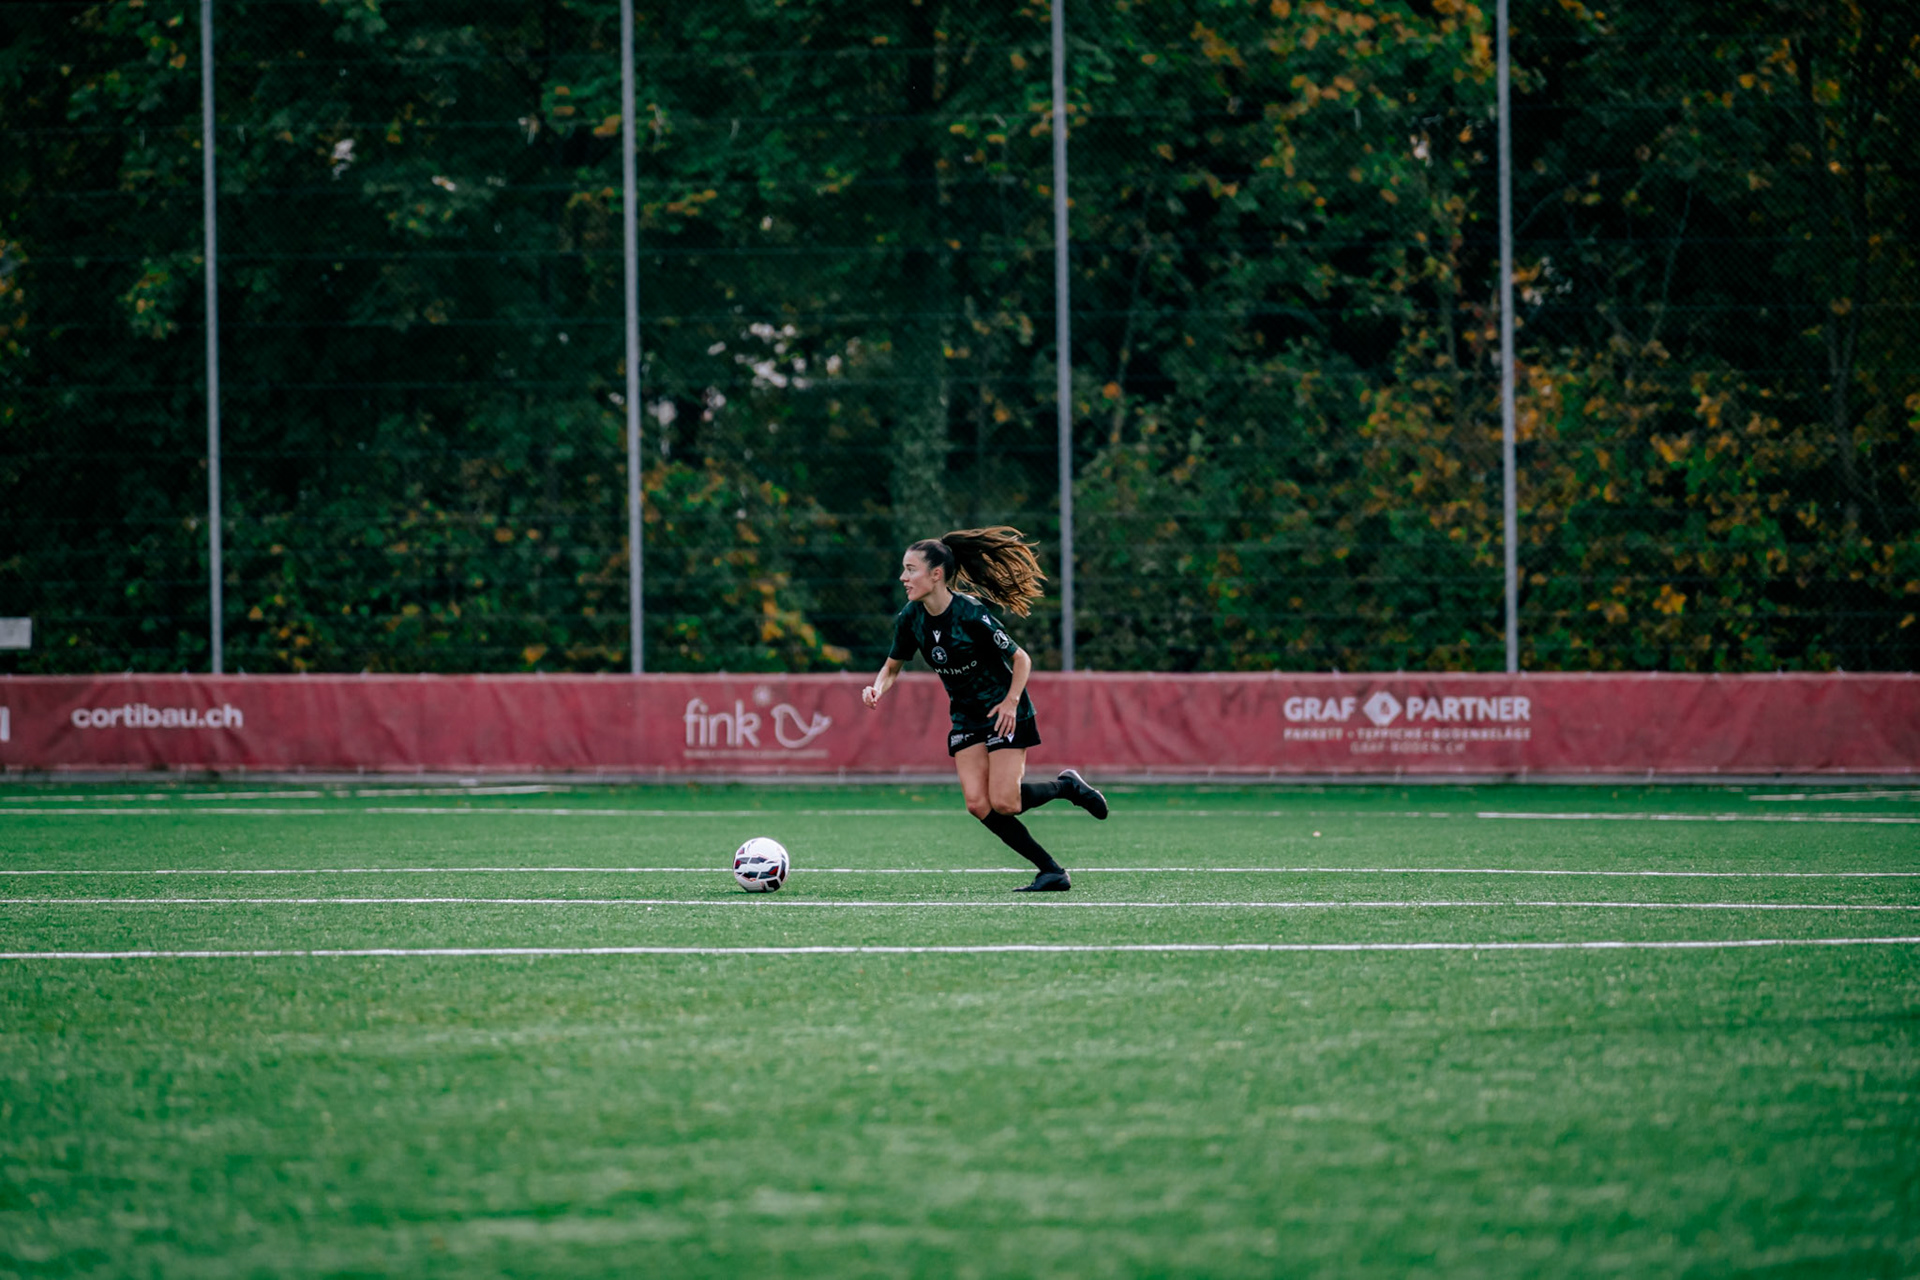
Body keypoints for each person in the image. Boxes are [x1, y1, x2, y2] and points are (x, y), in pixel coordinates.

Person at [861, 526, 1107, 891]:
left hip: (1005, 710)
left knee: (1005, 802)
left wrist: (1010, 702)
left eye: (910, 569)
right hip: (966, 715)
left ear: (936, 574)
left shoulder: (970, 613)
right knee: (978, 804)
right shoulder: (910, 618)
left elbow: (1021, 659)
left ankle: (1067, 787)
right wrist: (876, 688)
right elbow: (892, 666)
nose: (903, 577)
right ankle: (1051, 871)